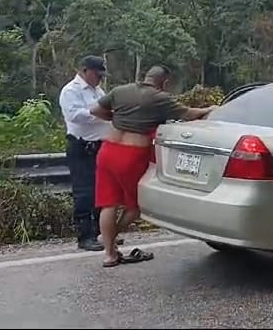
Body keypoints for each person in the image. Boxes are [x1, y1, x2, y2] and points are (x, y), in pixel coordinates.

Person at [89, 65, 216, 267]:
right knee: (136, 206)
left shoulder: (121, 91)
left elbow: (95, 110)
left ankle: (109, 253)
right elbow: (188, 114)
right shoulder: (159, 98)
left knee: (108, 203)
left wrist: (117, 118)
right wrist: (209, 109)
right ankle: (111, 239)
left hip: (107, 150)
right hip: (131, 155)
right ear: (164, 83)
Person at [59, 55, 120, 251]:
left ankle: (102, 234)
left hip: (100, 146)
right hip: (82, 147)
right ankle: (85, 236)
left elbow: (105, 111)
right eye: (96, 74)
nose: (99, 78)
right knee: (84, 192)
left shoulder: (97, 90)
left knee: (101, 191)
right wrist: (98, 113)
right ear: (84, 71)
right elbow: (75, 116)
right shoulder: (71, 91)